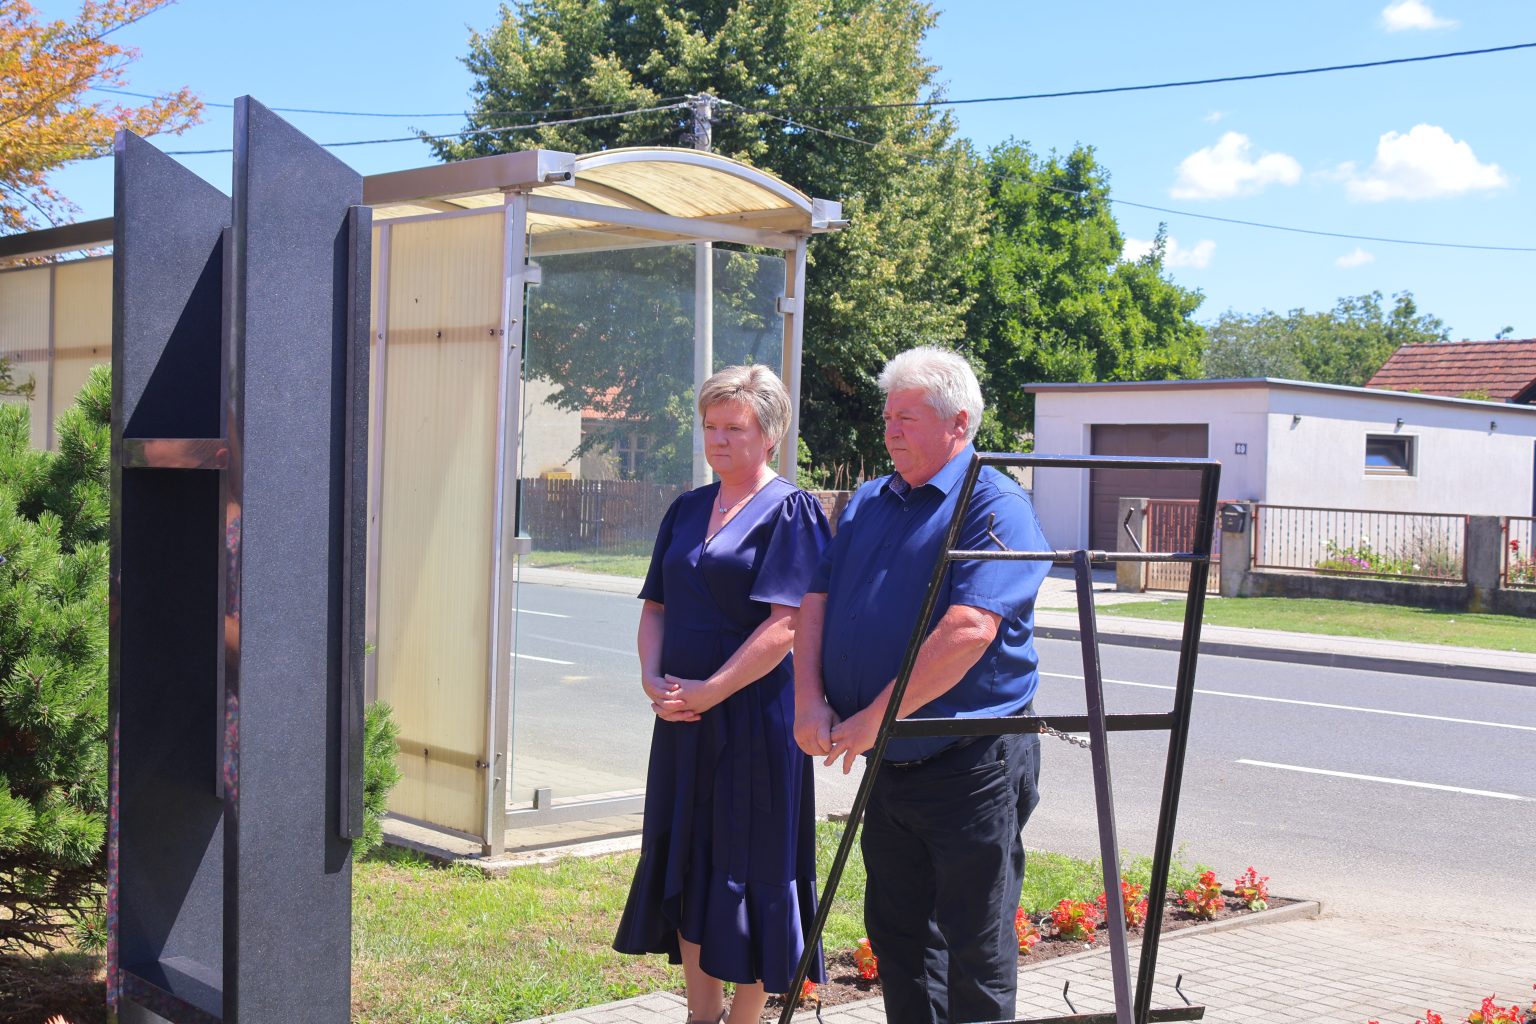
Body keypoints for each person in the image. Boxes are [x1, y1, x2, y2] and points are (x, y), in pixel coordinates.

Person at [794, 346, 1050, 1024]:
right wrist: (809, 699)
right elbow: (816, 600)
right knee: (900, 940)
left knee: (975, 947)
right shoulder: (871, 500)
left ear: (958, 422)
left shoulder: (995, 503)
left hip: (969, 762)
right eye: (888, 418)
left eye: (906, 418)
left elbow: (969, 629)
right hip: (891, 765)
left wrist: (872, 717)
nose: (890, 432)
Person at [614, 364, 831, 1024]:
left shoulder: (792, 511)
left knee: (751, 863)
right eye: (711, 426)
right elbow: (656, 607)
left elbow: (788, 624)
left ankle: (745, 1018)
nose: (719, 439)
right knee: (689, 862)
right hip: (682, 719)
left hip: (755, 721)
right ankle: (700, 1015)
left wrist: (712, 690)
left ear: (769, 434)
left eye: (735, 427)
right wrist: (651, 676)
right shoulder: (685, 509)